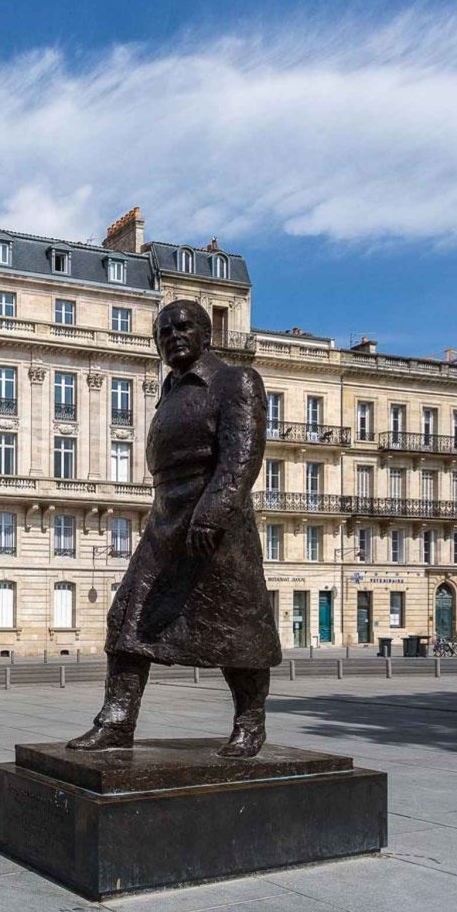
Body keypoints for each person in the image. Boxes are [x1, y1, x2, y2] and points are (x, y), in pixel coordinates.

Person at [67, 299, 282, 758]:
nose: (172, 337)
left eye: (182, 328)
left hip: (214, 525)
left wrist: (214, 512)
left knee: (236, 629)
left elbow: (242, 456)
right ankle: (117, 722)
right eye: (163, 332)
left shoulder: (235, 380)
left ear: (207, 335)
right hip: (166, 517)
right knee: (128, 617)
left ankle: (250, 722)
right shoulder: (170, 388)